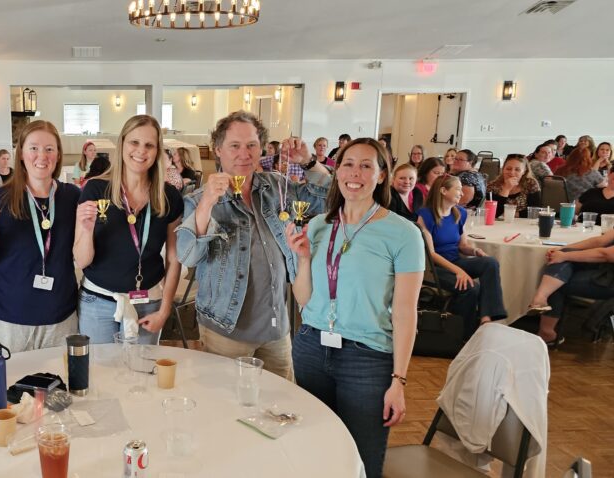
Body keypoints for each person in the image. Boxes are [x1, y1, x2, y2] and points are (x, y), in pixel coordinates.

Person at [284, 138, 423, 478]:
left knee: (362, 458)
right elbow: (304, 300)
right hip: (312, 348)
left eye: (366, 166)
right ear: (336, 172)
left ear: (381, 175)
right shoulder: (319, 225)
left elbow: (406, 312)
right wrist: (303, 260)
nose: (355, 173)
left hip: (367, 358)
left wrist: (399, 380)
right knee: (315, 449)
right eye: (348, 164)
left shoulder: (403, 234)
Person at [175, 111, 332, 379]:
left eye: (251, 145)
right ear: (219, 150)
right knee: (226, 409)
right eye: (235, 146)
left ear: (261, 149)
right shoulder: (198, 199)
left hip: (276, 327)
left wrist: (308, 162)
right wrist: (206, 204)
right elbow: (188, 256)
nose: (244, 154)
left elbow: (328, 199)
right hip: (225, 329)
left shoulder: (277, 187)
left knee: (278, 406)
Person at [0, 120, 80, 353]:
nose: (42, 155)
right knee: (8, 388)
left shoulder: (72, 197)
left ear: (58, 155)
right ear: (21, 154)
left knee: (58, 388)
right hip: (8, 318)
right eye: (34, 148)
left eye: (49, 149)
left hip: (60, 318)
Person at [74, 115, 184, 344]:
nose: (141, 151)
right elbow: (82, 262)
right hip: (99, 302)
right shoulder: (95, 190)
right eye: (134, 142)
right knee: (100, 376)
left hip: (149, 303)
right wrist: (85, 229)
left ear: (157, 151)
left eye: (149, 145)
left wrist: (164, 311)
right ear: (122, 144)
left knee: (142, 376)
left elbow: (174, 259)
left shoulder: (169, 196)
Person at [417, 175, 507, 338]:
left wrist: (474, 251)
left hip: (455, 261)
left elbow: (463, 245)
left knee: (490, 263)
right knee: (471, 288)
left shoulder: (459, 213)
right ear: (443, 191)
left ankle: (487, 318)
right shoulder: (426, 215)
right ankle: (461, 334)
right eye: (457, 189)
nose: (462, 193)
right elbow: (431, 254)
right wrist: (458, 271)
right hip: (434, 268)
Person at [526, 228, 614, 346]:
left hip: (610, 280)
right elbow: (600, 241)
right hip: (603, 268)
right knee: (562, 259)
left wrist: (565, 255)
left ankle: (546, 332)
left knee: (558, 283)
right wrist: (562, 250)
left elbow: (606, 255)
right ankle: (540, 298)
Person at [485, 154, 542, 218]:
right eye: (508, 169)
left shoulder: (531, 184)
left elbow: (534, 211)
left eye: (517, 170)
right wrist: (506, 189)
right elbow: (494, 214)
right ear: (503, 169)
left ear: (524, 171)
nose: (512, 173)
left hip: (524, 224)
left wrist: (510, 214)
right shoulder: (492, 186)